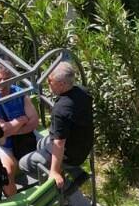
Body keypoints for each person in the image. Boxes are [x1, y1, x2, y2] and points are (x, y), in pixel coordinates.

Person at [21, 61, 92, 191]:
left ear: (62, 84)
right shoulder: (83, 92)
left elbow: (59, 144)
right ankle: (77, 173)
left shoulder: (61, 109)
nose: (48, 84)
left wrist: (54, 171)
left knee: (25, 164)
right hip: (83, 144)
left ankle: (61, 190)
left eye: (49, 81)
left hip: (70, 154)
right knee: (41, 144)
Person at [0, 62, 38, 185]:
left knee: (53, 151)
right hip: (3, 144)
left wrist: (13, 129)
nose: (2, 83)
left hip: (25, 137)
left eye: (6, 79)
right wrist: (21, 120)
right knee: (8, 171)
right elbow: (1, 130)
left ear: (12, 79)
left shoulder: (19, 92)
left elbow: (33, 121)